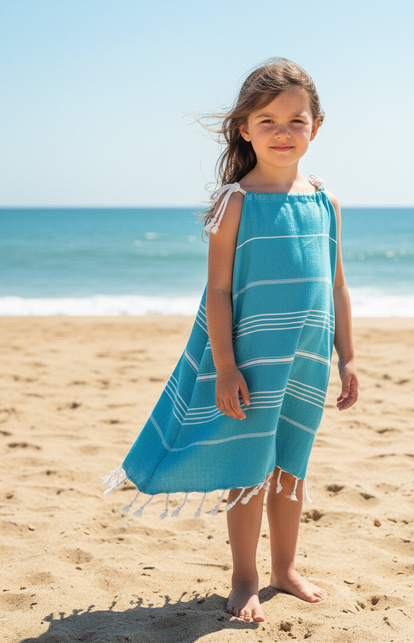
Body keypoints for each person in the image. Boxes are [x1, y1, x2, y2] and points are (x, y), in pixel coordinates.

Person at [104, 57, 359, 623]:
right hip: (251, 361)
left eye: (296, 120)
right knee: (249, 468)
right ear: (244, 128)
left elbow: (337, 285)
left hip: (307, 360)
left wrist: (349, 358)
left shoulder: (326, 203)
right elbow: (218, 292)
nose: (283, 132)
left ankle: (284, 569)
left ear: (316, 127)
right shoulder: (235, 203)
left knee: (291, 465)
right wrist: (225, 366)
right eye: (267, 120)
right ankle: (245, 576)